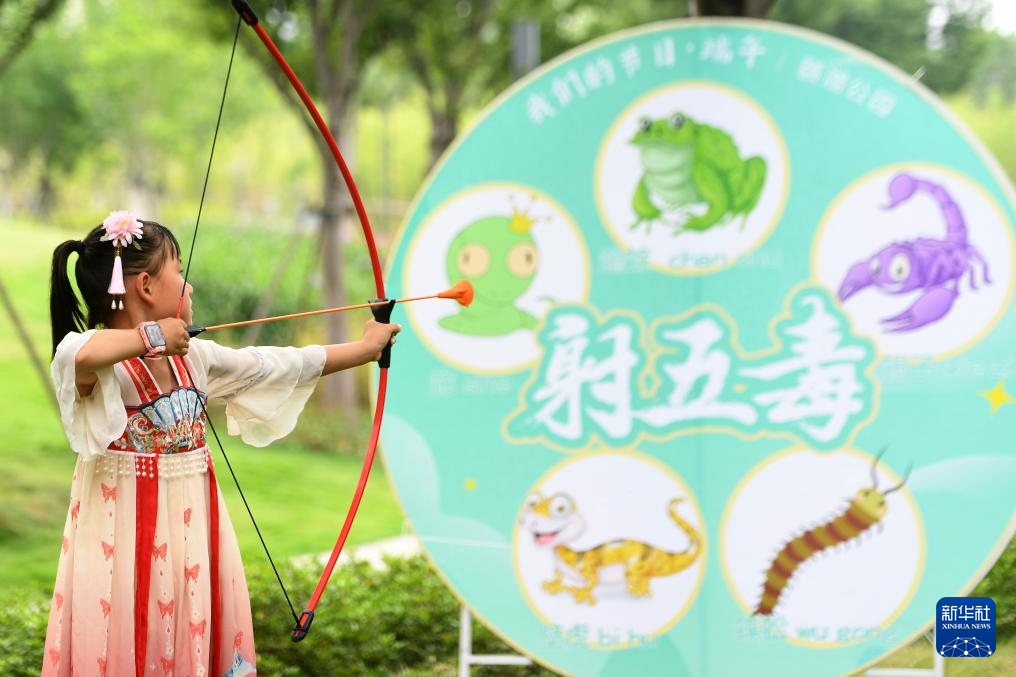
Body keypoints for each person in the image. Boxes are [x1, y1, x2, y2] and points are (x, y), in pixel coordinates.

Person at [41, 211, 400, 677]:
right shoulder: (94, 363)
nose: (188, 286)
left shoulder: (196, 358)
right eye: (179, 272)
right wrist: (152, 336)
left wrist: (368, 349)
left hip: (195, 541)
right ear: (145, 286)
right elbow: (80, 353)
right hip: (119, 551)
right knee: (129, 640)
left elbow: (279, 363)